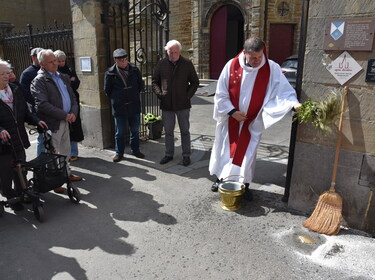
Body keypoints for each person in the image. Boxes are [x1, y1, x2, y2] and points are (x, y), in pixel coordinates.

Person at [209, 37, 301, 200]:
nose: (258, 61)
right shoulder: (231, 65)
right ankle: (221, 179)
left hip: (252, 122)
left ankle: (245, 185)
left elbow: (284, 90)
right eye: (253, 58)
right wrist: (232, 112)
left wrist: (294, 103)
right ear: (245, 53)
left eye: (260, 57)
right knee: (225, 151)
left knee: (248, 156)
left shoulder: (271, 68)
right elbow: (221, 93)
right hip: (231, 120)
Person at [31, 49, 82, 194]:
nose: (55, 64)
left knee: (66, 151)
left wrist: (73, 112)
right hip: (53, 123)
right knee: (53, 154)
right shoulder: (39, 80)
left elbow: (73, 97)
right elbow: (42, 105)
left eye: (55, 60)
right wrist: (64, 115)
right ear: (42, 64)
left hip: (67, 121)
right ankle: (55, 181)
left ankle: (66, 173)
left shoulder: (63, 76)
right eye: (51, 62)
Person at [0, 59, 47, 211]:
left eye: (7, 73)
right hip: (3, 145)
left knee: (21, 170)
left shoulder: (15, 90)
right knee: (5, 175)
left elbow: (25, 114)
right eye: (2, 74)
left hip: (18, 138)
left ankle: (22, 194)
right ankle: (11, 198)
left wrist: (37, 121)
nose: (6, 76)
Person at [152, 40, 199, 166]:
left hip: (183, 104)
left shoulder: (187, 63)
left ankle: (186, 155)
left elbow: (195, 82)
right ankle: (168, 154)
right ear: (167, 52)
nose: (172, 54)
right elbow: (154, 81)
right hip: (167, 104)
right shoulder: (162, 64)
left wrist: (187, 96)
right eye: (170, 52)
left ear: (179, 51)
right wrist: (160, 95)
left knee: (185, 131)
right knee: (168, 131)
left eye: (175, 52)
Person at [104, 48, 145, 163]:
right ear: (115, 60)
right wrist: (118, 98)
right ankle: (119, 153)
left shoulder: (135, 70)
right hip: (119, 107)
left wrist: (132, 95)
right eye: (121, 60)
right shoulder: (110, 73)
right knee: (120, 132)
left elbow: (140, 85)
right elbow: (107, 91)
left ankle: (135, 150)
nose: (123, 62)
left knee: (135, 130)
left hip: (134, 106)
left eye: (125, 59)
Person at [54, 50, 84, 162]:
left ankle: (74, 152)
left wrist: (71, 82)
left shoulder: (70, 70)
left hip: (73, 102)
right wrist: (70, 81)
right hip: (61, 105)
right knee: (63, 129)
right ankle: (63, 154)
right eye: (59, 61)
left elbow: (76, 83)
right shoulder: (54, 72)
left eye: (63, 61)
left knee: (74, 127)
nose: (61, 63)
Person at [19, 47, 45, 156]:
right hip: (38, 109)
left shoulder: (47, 70)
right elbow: (25, 93)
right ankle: (41, 161)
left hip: (51, 108)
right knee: (43, 136)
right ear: (33, 58)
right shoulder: (27, 73)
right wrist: (39, 102)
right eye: (39, 57)